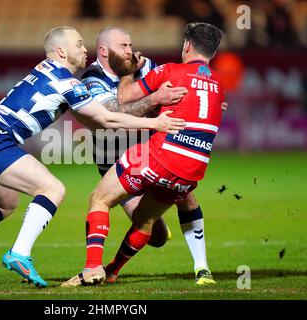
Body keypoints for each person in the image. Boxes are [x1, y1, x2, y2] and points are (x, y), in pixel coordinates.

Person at [0, 26, 186, 288]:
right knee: (52, 188)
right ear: (61, 51)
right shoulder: (67, 82)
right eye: (78, 44)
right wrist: (155, 123)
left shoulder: (44, 71)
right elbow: (106, 118)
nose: (84, 48)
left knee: (7, 202)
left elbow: (96, 122)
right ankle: (20, 253)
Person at [62, 22, 224, 287]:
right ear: (103, 51)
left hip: (148, 157)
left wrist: (152, 92)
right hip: (126, 159)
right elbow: (112, 114)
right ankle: (115, 271)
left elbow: (137, 93)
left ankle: (94, 269)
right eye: (123, 46)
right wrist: (156, 99)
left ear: (187, 47)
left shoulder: (153, 67)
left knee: (101, 200)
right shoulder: (92, 78)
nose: (130, 50)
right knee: (154, 227)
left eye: (130, 45)